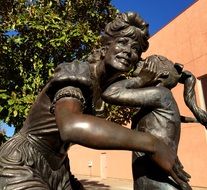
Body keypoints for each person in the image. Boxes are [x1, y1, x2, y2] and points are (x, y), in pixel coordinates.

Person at [0, 13, 190, 190]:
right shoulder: (77, 71)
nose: (128, 52)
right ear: (105, 46)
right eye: (122, 42)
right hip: (20, 164)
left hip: (60, 169)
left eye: (135, 49)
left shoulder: (110, 87)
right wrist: (153, 144)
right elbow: (71, 126)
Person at [102, 55, 207, 190]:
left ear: (159, 74)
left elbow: (111, 93)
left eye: (146, 63)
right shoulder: (159, 100)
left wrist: (140, 79)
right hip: (150, 178)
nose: (140, 62)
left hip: (157, 180)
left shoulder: (160, 94)